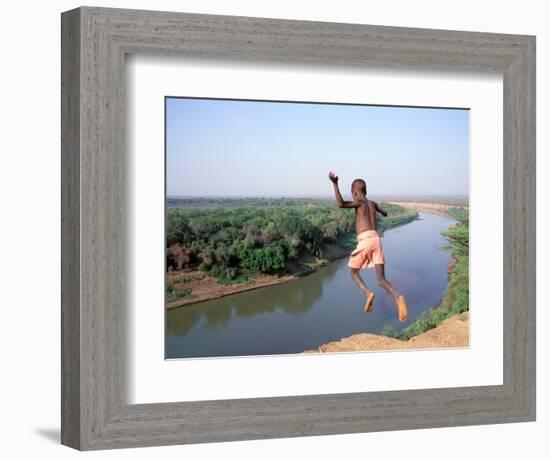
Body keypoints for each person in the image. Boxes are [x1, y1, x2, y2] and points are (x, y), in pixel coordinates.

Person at [328, 171, 408, 322]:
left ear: (356, 192)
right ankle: (397, 297)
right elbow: (384, 213)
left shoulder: (359, 202)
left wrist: (335, 183)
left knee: (353, 272)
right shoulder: (372, 204)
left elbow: (340, 204)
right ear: (366, 191)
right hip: (377, 240)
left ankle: (368, 293)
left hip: (365, 240)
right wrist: (381, 211)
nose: (353, 196)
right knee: (381, 279)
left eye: (353, 193)